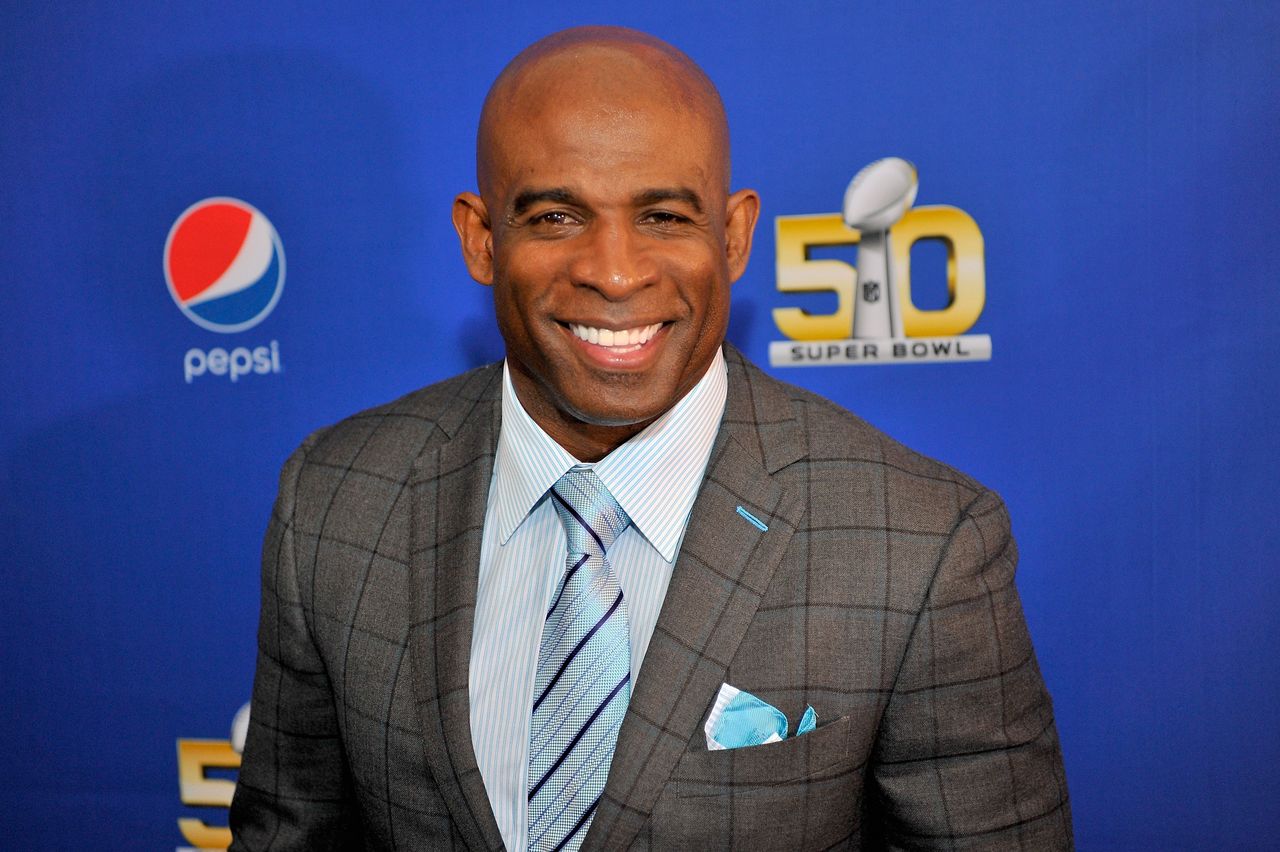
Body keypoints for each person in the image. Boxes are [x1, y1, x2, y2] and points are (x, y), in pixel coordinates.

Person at [229, 25, 1071, 852]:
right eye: (557, 216)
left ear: (735, 237)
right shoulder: (334, 502)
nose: (616, 270)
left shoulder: (923, 544)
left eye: (664, 216)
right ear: (481, 239)